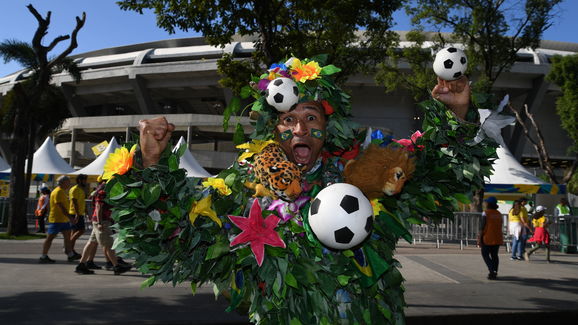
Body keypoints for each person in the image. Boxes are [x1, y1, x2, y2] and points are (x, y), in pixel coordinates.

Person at [130, 57, 495, 323]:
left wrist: (457, 116)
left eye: (311, 118)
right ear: (274, 129)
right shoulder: (244, 188)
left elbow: (444, 176)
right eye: (288, 119)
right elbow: (174, 241)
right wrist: (149, 168)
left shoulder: (367, 175)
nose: (300, 130)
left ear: (327, 127)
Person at [75, 177, 131, 275]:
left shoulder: (101, 189)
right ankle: (116, 266)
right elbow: (98, 207)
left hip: (100, 220)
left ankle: (81, 265)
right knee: (108, 244)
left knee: (91, 243)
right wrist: (100, 222)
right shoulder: (103, 191)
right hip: (102, 221)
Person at [39, 176, 81, 263]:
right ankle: (43, 256)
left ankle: (70, 254)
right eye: (68, 182)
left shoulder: (62, 191)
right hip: (56, 219)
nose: (69, 184)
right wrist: (70, 217)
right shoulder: (58, 192)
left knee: (67, 236)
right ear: (63, 182)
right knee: (50, 238)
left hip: (63, 219)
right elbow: (61, 207)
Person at [478, 196, 503, 280]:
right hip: (497, 237)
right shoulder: (498, 213)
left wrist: (479, 238)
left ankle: (491, 269)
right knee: (494, 255)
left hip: (487, 237)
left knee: (485, 254)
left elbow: (482, 226)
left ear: (488, 204)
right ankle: (495, 271)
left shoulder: (485, 213)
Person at [69, 174, 88, 255]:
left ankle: (71, 250)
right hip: (75, 213)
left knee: (74, 232)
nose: (86, 182)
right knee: (81, 230)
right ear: (80, 180)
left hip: (79, 213)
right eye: (84, 180)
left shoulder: (81, 189)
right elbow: (74, 202)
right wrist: (77, 214)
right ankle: (68, 245)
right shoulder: (75, 189)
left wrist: (86, 210)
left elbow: (82, 201)